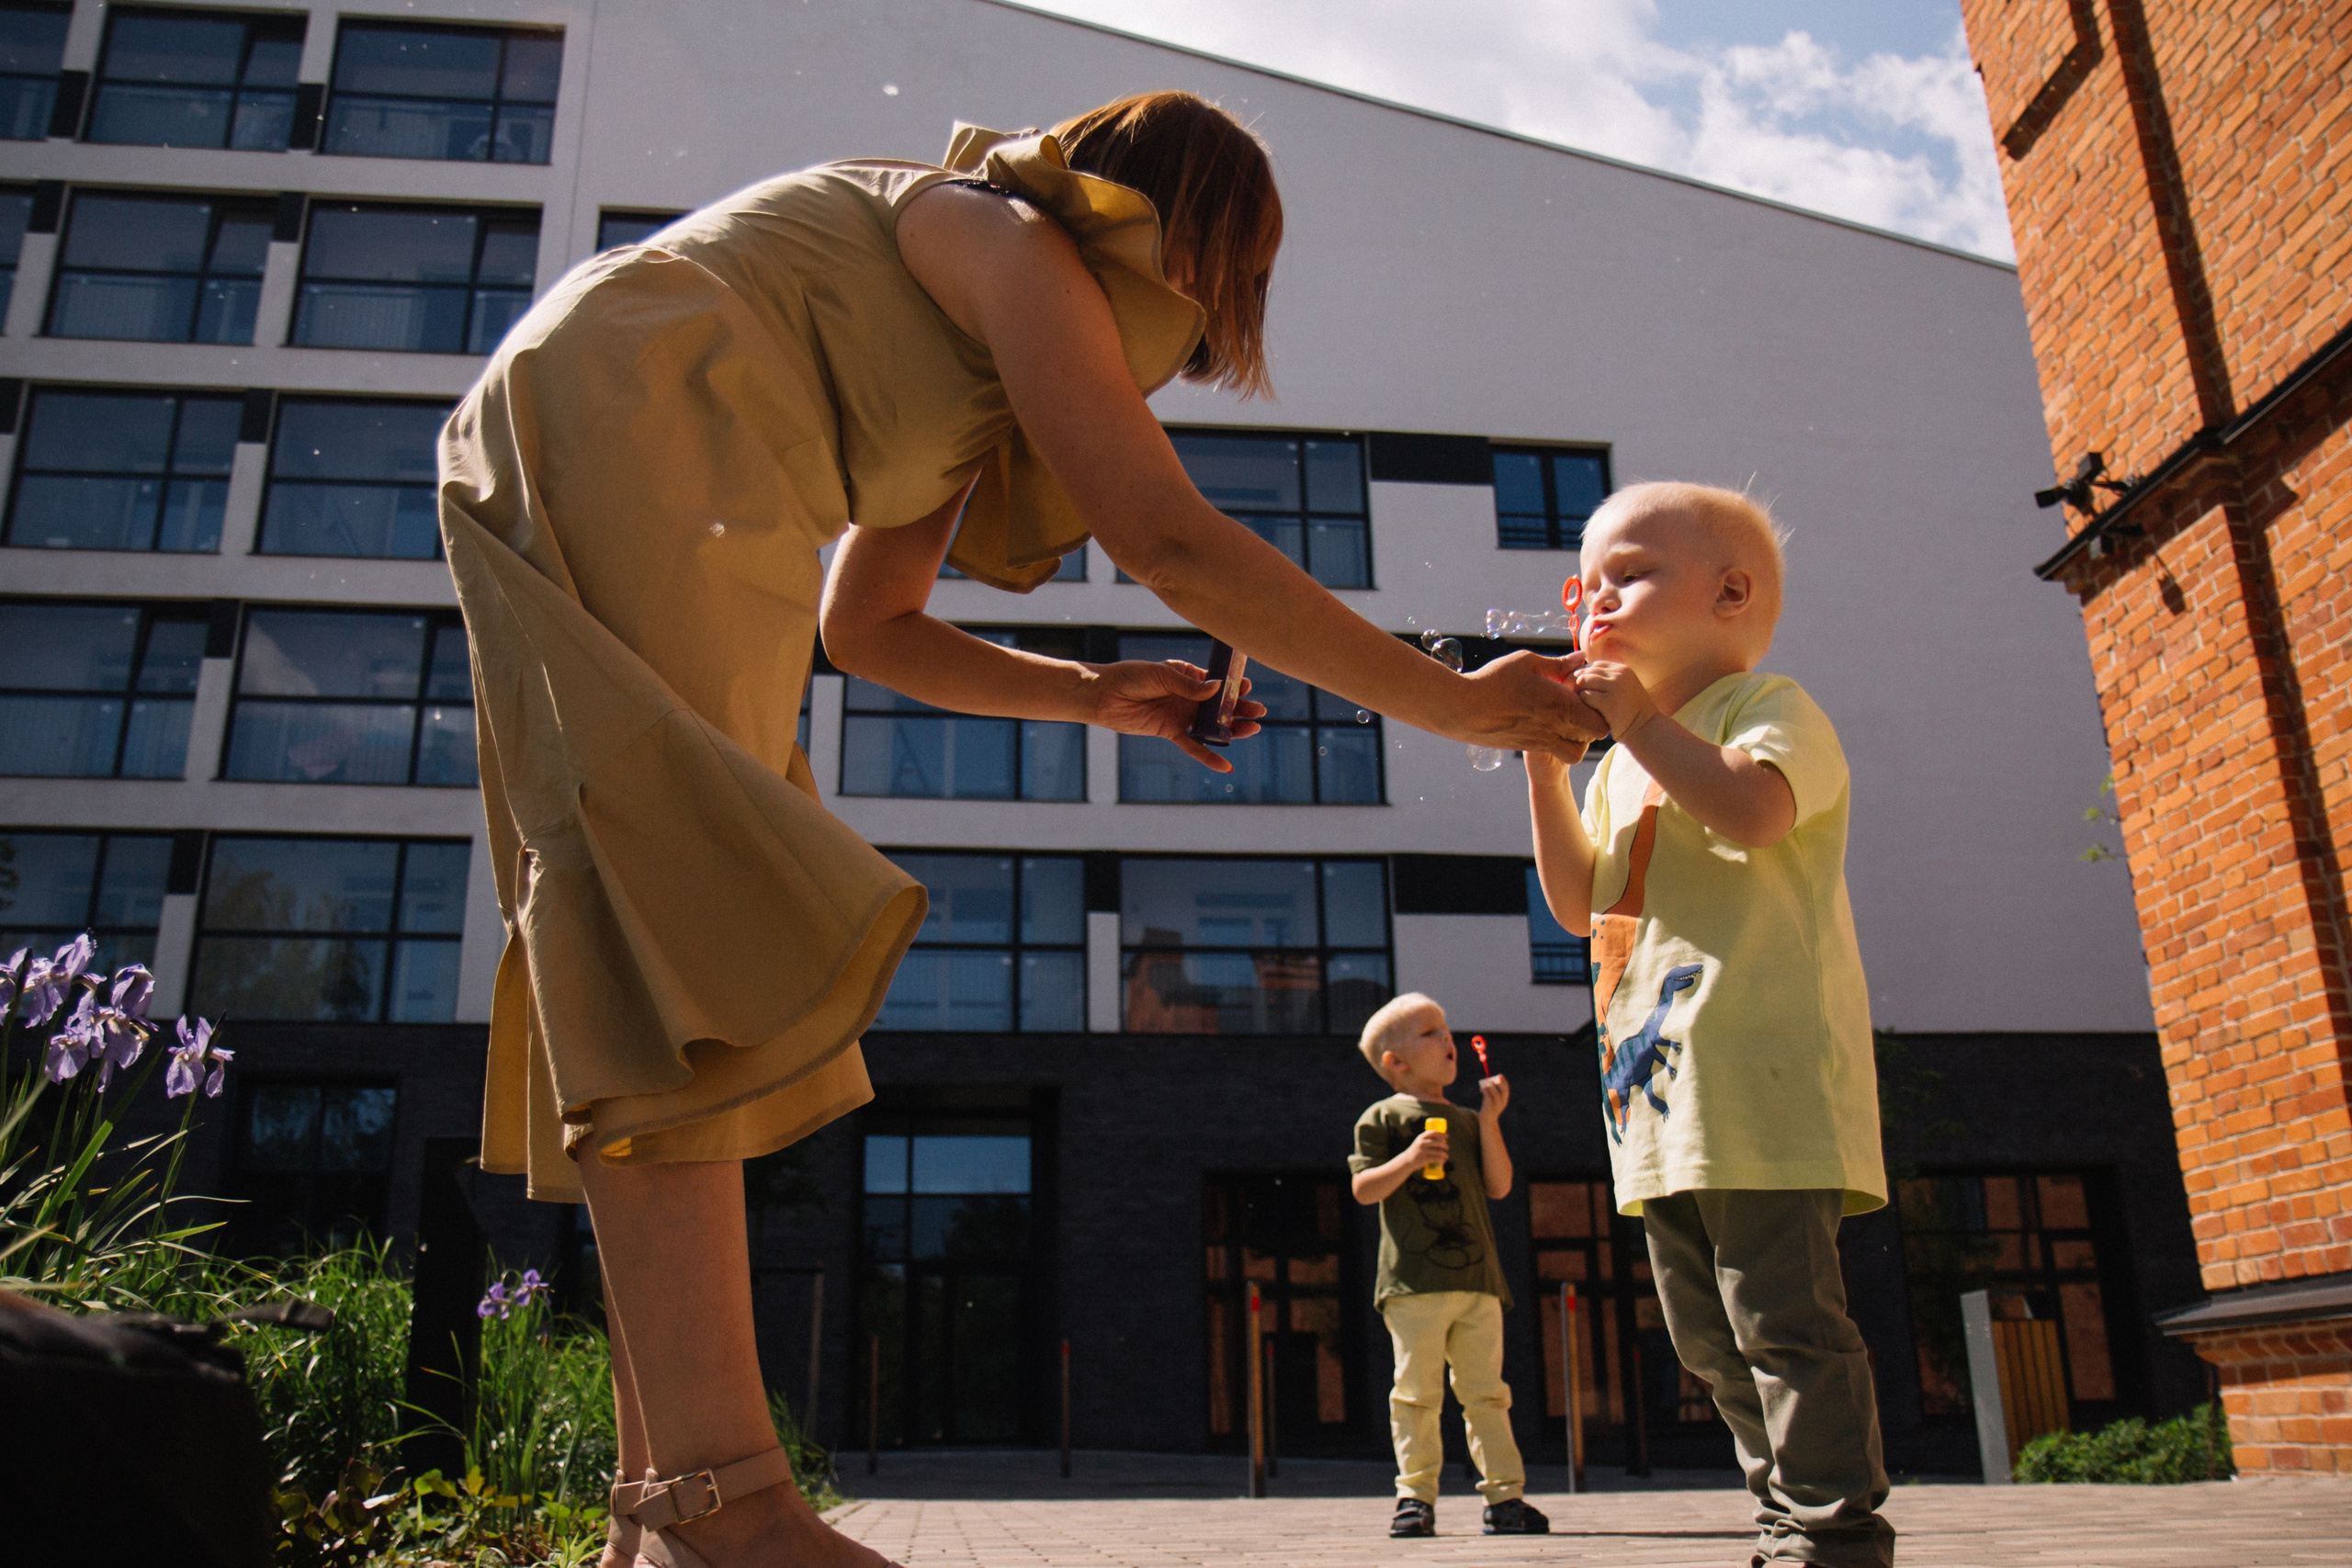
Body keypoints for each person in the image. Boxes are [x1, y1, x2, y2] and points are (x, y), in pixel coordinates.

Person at [438, 91, 1603, 1568]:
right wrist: (1463, 705)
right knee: (681, 927)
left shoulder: (967, 363)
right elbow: (1171, 535)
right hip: (640, 404)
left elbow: (869, 626)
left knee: (650, 928)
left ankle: (662, 1508)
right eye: (1213, 281)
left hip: (625, 424)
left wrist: (1102, 693)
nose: (1190, 330)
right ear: (1167, 230)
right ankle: (723, 1509)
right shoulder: (1003, 234)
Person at [1524, 482, 1893, 1568]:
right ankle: (1781, 1515)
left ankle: (1832, 1531)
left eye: (1625, 575)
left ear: (1729, 593)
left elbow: (1753, 808)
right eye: (1584, 586)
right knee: (1707, 1338)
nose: (1594, 602)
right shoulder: (1622, 763)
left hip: (1761, 1079)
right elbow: (1579, 904)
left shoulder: (1767, 707)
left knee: (1782, 1321)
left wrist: (1632, 720)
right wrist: (1547, 770)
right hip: (1655, 1098)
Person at [1348, 992, 1550, 1539]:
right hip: (1413, 1284)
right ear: (1396, 1062)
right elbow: (1364, 1189)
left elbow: (1500, 1185)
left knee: (1488, 1393)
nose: (1448, 1040)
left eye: (1447, 1030)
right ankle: (1415, 1499)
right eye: (1431, 1033)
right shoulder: (1382, 1118)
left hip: (1479, 1282)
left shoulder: (1464, 1120)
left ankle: (1505, 1498)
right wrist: (1410, 1158)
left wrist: (1490, 1120)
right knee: (1416, 1394)